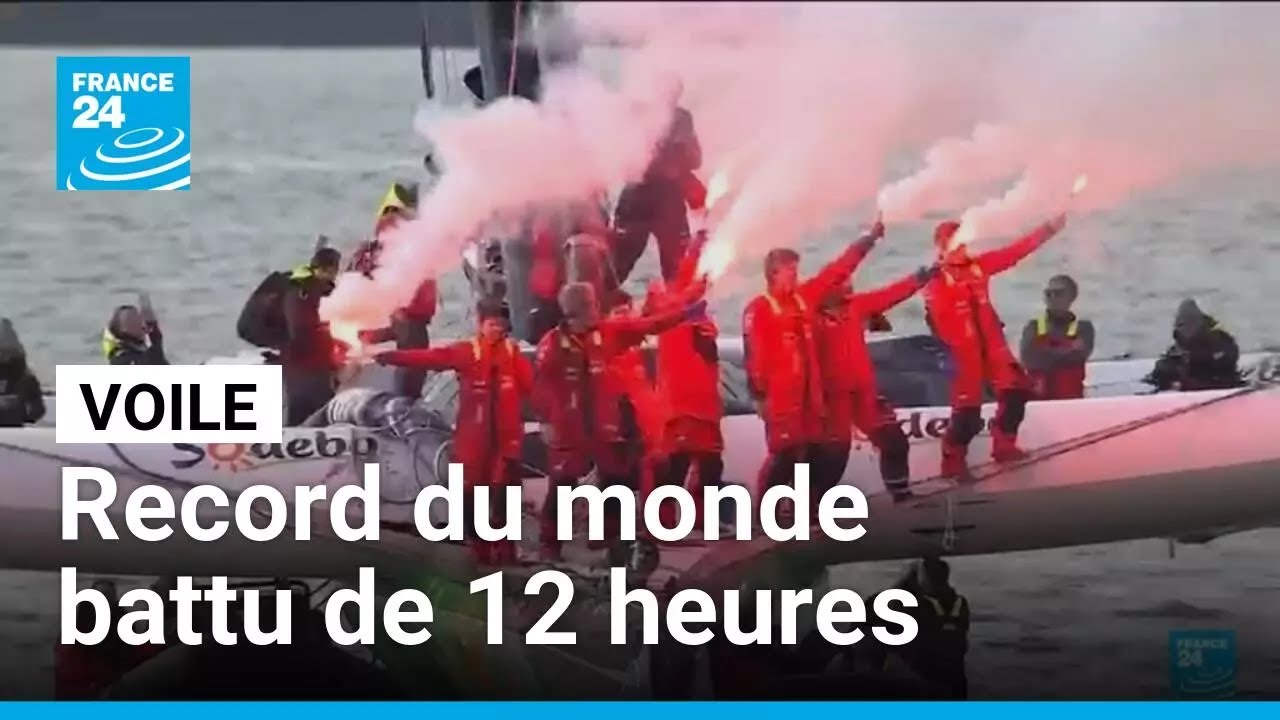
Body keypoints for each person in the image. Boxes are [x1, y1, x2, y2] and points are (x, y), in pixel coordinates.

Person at [533, 279, 707, 562]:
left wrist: (684, 314)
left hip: (604, 426)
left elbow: (648, 325)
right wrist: (545, 421)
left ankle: (612, 542)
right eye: (592, 304)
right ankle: (550, 545)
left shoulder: (609, 333)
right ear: (578, 310)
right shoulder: (551, 346)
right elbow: (540, 387)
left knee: (617, 481)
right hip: (568, 428)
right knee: (564, 484)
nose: (597, 308)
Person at [742, 219, 883, 523]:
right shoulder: (760, 308)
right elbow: (752, 352)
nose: (796, 275)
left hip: (810, 396)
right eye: (790, 270)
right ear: (773, 273)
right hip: (781, 396)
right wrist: (759, 394)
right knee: (785, 454)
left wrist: (867, 241)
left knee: (810, 453)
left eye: (796, 270)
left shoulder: (803, 298)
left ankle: (804, 510)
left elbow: (836, 271)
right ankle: (765, 514)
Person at [376, 301, 533, 565]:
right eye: (491, 324)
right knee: (471, 496)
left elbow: (532, 390)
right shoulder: (467, 352)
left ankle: (507, 553)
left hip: (506, 442)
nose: (496, 329)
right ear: (480, 324)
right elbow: (430, 357)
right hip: (473, 441)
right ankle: (480, 553)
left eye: (501, 325)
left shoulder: (513, 355)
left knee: (506, 496)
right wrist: (392, 357)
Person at [924, 213, 1067, 478]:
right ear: (943, 247)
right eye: (956, 244)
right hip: (963, 353)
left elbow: (1014, 253)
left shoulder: (978, 266)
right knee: (967, 416)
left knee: (1016, 391)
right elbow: (936, 314)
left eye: (964, 243)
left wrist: (1047, 229)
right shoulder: (935, 280)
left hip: (992, 346)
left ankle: (1004, 445)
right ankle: (952, 460)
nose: (963, 248)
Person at [814, 266, 936, 501]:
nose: (849, 285)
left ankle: (902, 496)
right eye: (843, 282)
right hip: (833, 398)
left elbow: (890, 295)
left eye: (848, 281)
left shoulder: (856, 306)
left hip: (864, 392)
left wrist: (918, 279)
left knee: (894, 440)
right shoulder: (812, 319)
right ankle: (809, 506)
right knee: (834, 457)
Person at [649, 234, 725, 531]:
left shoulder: (702, 319)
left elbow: (710, 358)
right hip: (679, 406)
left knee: (711, 466)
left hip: (706, 407)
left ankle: (701, 521)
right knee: (675, 466)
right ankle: (662, 524)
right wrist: (696, 247)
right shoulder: (668, 312)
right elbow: (681, 286)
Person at [611, 75, 706, 283]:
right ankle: (602, 294)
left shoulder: (674, 117)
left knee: (675, 265)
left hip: (653, 196)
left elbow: (694, 159)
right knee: (622, 261)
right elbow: (692, 159)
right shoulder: (666, 117)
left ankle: (600, 293)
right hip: (648, 195)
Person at [603, 289, 668, 539]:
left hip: (643, 425)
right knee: (617, 478)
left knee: (650, 470)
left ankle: (653, 527)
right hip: (618, 424)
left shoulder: (636, 352)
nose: (624, 319)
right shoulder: (607, 346)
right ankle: (613, 532)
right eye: (618, 313)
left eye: (627, 312)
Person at [281, 247, 344, 426]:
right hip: (305, 366)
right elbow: (300, 329)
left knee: (303, 411)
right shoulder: (303, 292)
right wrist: (327, 339)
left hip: (300, 364)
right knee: (311, 410)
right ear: (327, 269)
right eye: (334, 271)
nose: (334, 277)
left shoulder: (305, 288)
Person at [357, 277, 437, 398]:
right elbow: (396, 330)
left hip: (408, 373)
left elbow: (409, 353)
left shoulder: (409, 321)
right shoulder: (408, 321)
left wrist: (386, 357)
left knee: (406, 388)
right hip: (411, 324)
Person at [1020, 274, 1095, 401]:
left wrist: (1044, 352)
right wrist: (1069, 349)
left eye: (1058, 293)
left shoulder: (1084, 328)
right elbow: (1029, 360)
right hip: (1037, 403)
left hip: (1070, 403)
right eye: (1048, 294)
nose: (1052, 298)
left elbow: (1078, 357)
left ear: (1072, 296)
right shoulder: (1033, 327)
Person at [1147, 298, 1244, 392]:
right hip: (1189, 390)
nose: (1185, 329)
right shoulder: (1179, 348)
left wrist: (1198, 358)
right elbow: (1163, 368)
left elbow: (1229, 354)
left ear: (1199, 323)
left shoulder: (1218, 338)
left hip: (1221, 386)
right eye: (1180, 325)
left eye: (1189, 324)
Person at [907, 557, 970, 699]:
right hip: (956, 680)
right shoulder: (961, 602)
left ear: (927, 579)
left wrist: (908, 579)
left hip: (927, 680)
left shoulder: (919, 606)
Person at [0, 318, 45, 427]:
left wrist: (23, 410)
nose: (4, 356)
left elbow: (38, 410)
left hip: (15, 429)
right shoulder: (26, 377)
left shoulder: (26, 379)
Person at [102, 297, 168, 365]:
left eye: (139, 317)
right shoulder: (121, 359)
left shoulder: (143, 352)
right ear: (122, 330)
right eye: (131, 319)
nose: (140, 322)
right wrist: (154, 335)